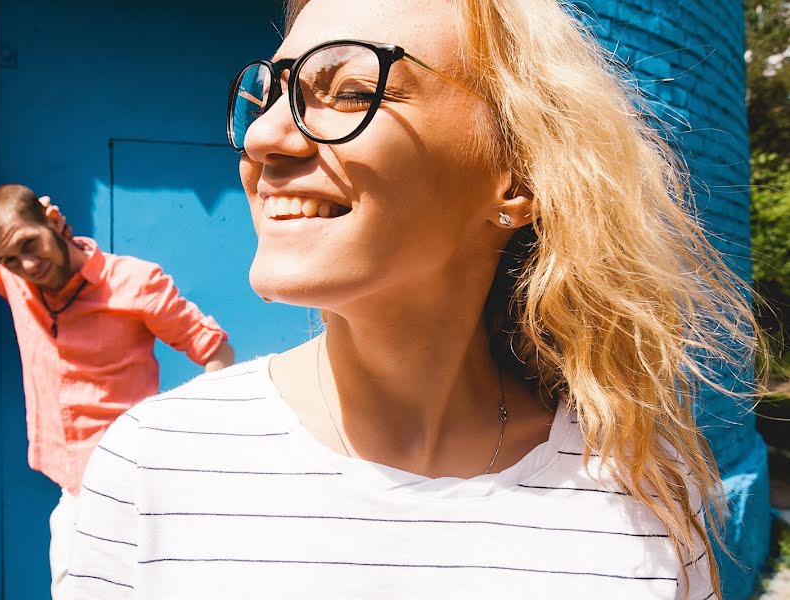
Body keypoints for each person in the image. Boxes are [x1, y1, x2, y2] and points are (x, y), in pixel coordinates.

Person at [68, 0, 759, 598]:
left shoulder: (643, 501)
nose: (264, 136)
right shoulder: (154, 466)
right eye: (270, 93)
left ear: (516, 177)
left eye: (347, 92)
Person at [0, 184, 234, 598]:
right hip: (74, 489)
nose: (27, 264)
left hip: (135, 481)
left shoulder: (132, 281)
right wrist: (0, 217)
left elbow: (214, 349)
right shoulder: (14, 280)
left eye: (29, 242)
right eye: (9, 258)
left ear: (53, 221)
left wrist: (197, 439)